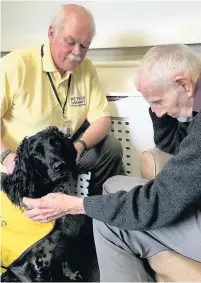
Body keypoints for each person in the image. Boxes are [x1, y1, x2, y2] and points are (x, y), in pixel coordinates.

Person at [23, 44, 201, 281]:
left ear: (185, 84)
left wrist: (76, 205)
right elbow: (174, 145)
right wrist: (158, 104)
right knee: (114, 184)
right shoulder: (195, 100)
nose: (157, 112)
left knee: (109, 222)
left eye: (158, 101)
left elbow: (157, 203)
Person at [0, 4, 123, 196]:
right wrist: (8, 157)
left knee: (110, 147)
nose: (77, 52)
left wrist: (77, 147)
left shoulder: (87, 68)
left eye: (84, 46)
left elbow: (102, 119)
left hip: (64, 152)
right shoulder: (15, 65)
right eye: (70, 42)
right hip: (25, 162)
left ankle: (95, 211)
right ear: (51, 33)